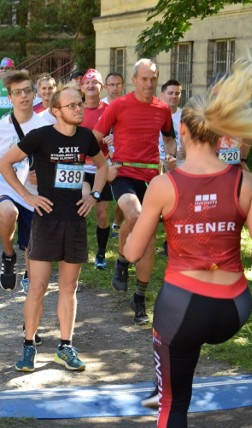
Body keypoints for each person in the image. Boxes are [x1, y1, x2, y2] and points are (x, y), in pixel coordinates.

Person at [122, 60, 252, 428]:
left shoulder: (164, 185)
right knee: (186, 357)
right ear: (220, 132)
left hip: (182, 309)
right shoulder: (244, 180)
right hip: (234, 309)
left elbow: (134, 252)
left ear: (181, 130)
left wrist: (128, 233)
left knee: (172, 406)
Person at [0, 86, 108, 372]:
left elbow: (102, 166)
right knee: (38, 287)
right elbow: (4, 162)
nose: (78, 109)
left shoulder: (85, 137)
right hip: (46, 220)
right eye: (71, 105)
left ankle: (65, 346)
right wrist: (28, 197)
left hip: (75, 221)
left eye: (80, 104)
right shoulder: (41, 136)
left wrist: (93, 195)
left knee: (69, 288)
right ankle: (29, 345)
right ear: (56, 111)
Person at [93, 58, 176, 325]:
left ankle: (139, 297)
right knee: (135, 215)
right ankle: (123, 258)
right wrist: (106, 166)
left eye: (153, 78)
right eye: (144, 78)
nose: (149, 83)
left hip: (152, 176)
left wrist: (171, 156)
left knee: (149, 238)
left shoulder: (162, 109)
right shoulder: (118, 105)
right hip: (124, 173)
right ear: (134, 80)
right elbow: (94, 137)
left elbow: (169, 136)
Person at [0, 70, 49, 290]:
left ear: (34, 94)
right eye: (18, 92)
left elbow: (54, 160)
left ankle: (29, 278)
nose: (24, 96)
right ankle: (8, 256)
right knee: (9, 213)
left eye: (27, 91)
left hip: (33, 195)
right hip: (4, 189)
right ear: (10, 98)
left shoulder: (45, 127)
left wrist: (44, 173)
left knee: (32, 250)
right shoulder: (0, 128)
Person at [80, 69, 114, 270]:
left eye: (95, 83)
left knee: (102, 214)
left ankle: (100, 252)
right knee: (81, 207)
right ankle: (79, 249)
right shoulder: (75, 108)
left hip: (103, 166)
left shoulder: (110, 109)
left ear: (102, 87)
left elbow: (120, 133)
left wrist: (114, 138)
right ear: (82, 86)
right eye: (88, 83)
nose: (91, 86)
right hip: (80, 166)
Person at [101, 72, 126, 238]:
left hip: (123, 154)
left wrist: (117, 138)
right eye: (111, 85)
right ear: (105, 86)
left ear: (123, 87)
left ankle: (116, 224)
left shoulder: (128, 105)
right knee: (103, 201)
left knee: (123, 194)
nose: (115, 88)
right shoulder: (100, 106)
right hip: (102, 156)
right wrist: (105, 139)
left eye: (118, 85)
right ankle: (102, 224)